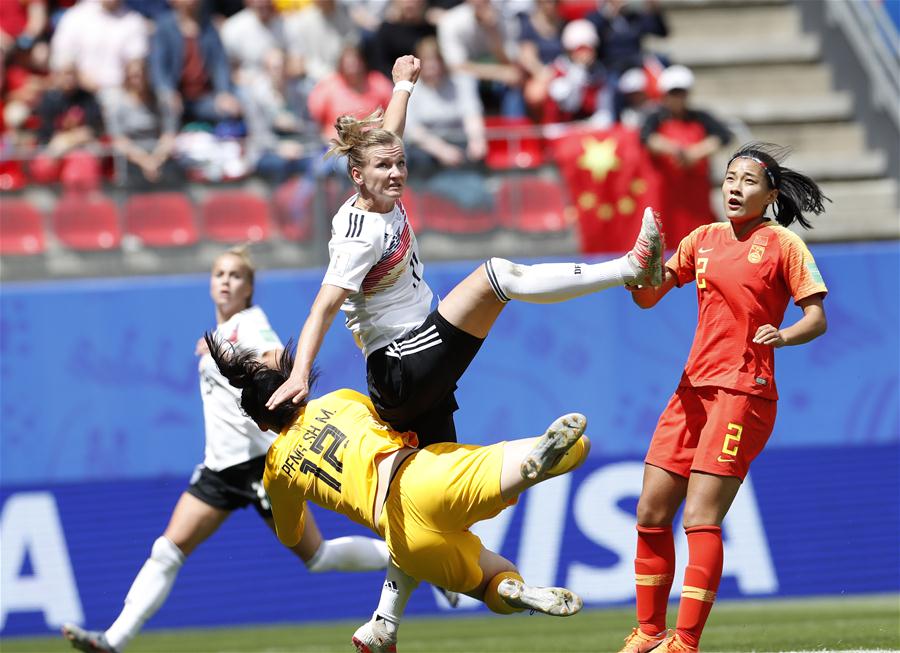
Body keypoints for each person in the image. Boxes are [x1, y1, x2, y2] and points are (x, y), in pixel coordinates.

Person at [265, 53, 665, 651]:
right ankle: (629, 270)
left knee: (416, 500)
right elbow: (324, 304)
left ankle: (384, 623)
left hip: (409, 374)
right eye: (383, 166)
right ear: (356, 176)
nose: (396, 172)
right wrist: (299, 374)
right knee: (495, 275)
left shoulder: (380, 185)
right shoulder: (360, 234)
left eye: (399, 164)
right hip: (398, 365)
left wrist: (402, 86)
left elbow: (388, 135)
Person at [61, 246, 392, 653]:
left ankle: (408, 559)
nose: (226, 281)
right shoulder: (220, 333)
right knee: (167, 549)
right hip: (220, 466)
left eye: (236, 275)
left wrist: (230, 353)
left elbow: (274, 359)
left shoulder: (249, 324)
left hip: (260, 465)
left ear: (249, 287)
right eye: (220, 273)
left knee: (317, 556)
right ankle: (113, 640)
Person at [206, 333, 590, 653]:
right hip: (419, 476)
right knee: (577, 449)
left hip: (404, 540)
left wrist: (296, 495)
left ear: (261, 424)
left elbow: (290, 535)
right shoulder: (340, 399)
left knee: (496, 580)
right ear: (293, 387)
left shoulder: (276, 468)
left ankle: (514, 592)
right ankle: (527, 470)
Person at [618, 142, 829, 653]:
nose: (735, 189)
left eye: (748, 182)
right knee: (649, 512)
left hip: (743, 392)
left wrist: (785, 335)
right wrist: (638, 267)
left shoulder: (783, 245)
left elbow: (816, 319)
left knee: (700, 518)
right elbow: (647, 297)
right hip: (691, 389)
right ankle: (648, 633)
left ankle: (684, 641)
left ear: (771, 194)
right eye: (730, 179)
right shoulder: (703, 238)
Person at [640, 64, 733, 245]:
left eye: (681, 93)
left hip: (696, 192)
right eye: (673, 93)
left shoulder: (701, 117)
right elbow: (646, 139)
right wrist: (675, 150)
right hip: (666, 194)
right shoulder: (655, 118)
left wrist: (695, 152)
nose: (678, 98)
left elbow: (724, 136)